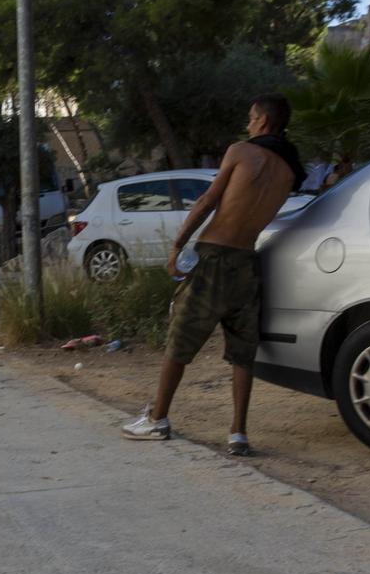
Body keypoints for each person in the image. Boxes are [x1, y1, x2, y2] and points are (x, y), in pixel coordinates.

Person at [120, 94, 305, 456]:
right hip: (248, 265)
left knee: (180, 339)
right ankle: (238, 433)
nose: (248, 123)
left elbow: (208, 200)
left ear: (264, 121)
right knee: (242, 353)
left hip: (214, 259)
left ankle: (157, 418)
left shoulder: (240, 152)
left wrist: (177, 245)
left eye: (252, 117)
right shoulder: (288, 171)